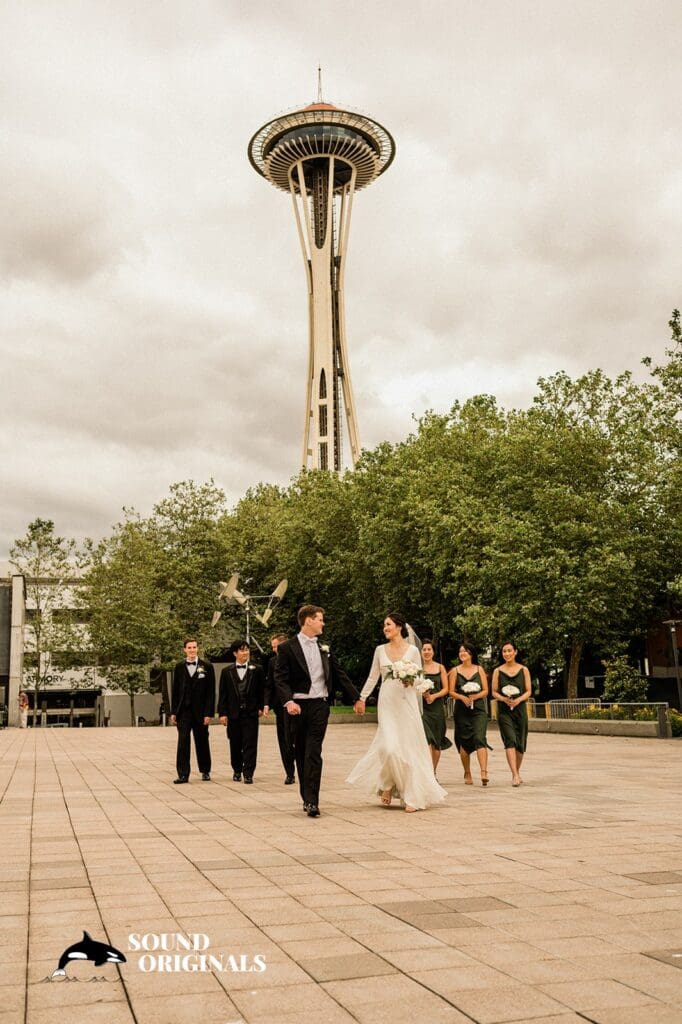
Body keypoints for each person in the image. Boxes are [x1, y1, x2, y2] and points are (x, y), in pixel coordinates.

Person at [348, 612, 447, 812]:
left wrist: (413, 681)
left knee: (408, 748)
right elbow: (372, 677)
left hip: (406, 702)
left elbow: (419, 677)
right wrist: (362, 698)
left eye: (388, 625)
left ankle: (409, 795)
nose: (385, 628)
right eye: (384, 625)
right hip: (387, 703)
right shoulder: (379, 650)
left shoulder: (412, 651)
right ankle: (386, 784)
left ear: (399, 627)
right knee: (388, 747)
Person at [275, 605, 363, 818]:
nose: (323, 623)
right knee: (301, 752)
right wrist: (288, 702)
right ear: (307, 621)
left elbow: (340, 675)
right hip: (297, 707)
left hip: (319, 706)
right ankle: (306, 797)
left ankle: (313, 801)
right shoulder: (287, 648)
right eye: (320, 619)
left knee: (314, 752)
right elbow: (280, 678)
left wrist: (357, 698)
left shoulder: (325, 648)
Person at [218, 641, 265, 784]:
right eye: (242, 650)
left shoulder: (257, 669)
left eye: (247, 650)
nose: (245, 653)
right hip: (233, 713)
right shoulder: (227, 672)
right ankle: (237, 770)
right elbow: (223, 694)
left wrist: (261, 707)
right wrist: (222, 713)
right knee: (235, 743)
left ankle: (249, 772)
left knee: (250, 743)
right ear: (235, 653)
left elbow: (262, 691)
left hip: (251, 713)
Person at [170, 638, 215, 783]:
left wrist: (209, 713)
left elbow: (211, 692)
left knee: (202, 741)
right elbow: (175, 690)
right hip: (183, 711)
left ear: (198, 649)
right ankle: (183, 774)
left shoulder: (207, 666)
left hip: (201, 712)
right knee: (183, 742)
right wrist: (173, 712)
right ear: (184, 650)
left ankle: (205, 770)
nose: (192, 650)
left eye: (194, 647)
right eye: (189, 647)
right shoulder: (178, 667)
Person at [448, 643, 491, 786]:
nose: (462, 654)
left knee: (480, 737)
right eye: (460, 651)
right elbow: (451, 691)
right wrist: (462, 697)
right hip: (462, 709)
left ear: (471, 653)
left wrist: (475, 696)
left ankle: (484, 772)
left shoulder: (479, 670)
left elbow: (486, 690)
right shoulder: (455, 671)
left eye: (465, 651)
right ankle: (467, 772)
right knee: (464, 741)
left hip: (478, 709)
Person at [491, 641, 532, 786]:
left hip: (520, 710)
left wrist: (518, 700)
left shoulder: (524, 670)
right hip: (504, 711)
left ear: (515, 652)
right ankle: (514, 775)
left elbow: (528, 691)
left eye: (509, 651)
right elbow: (494, 692)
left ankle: (517, 771)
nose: (507, 654)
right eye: (504, 651)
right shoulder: (498, 671)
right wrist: (504, 699)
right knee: (510, 740)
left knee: (520, 743)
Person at [263, 633, 296, 785]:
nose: (274, 650)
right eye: (273, 647)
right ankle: (289, 772)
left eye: (276, 646)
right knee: (284, 740)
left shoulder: (297, 659)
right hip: (279, 706)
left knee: (296, 738)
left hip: (297, 704)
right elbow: (269, 684)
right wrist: (266, 703)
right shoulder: (272, 662)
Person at [420, 640, 452, 774]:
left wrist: (434, 696)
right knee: (427, 739)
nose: (426, 652)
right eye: (424, 649)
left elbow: (446, 689)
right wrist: (422, 693)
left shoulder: (440, 668)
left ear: (433, 652)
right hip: (423, 709)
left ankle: (433, 772)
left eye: (429, 649)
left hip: (437, 708)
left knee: (436, 743)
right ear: (421, 652)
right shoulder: (417, 668)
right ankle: (427, 773)